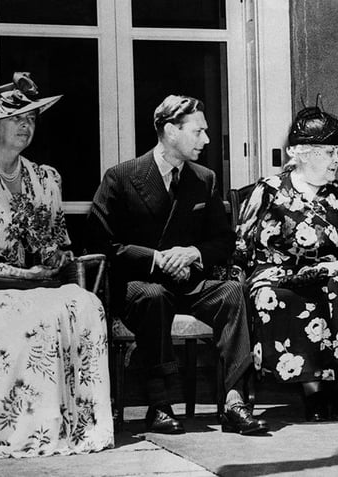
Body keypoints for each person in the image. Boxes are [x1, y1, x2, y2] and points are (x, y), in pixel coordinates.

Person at [0, 72, 113, 457]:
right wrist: (23, 275)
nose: (26, 125)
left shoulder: (45, 178)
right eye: (17, 118)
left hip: (34, 287)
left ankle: (77, 428)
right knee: (33, 318)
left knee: (85, 305)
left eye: (31, 119)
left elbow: (59, 243)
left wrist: (55, 258)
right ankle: (17, 432)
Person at [87, 94, 267, 435]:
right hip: (141, 286)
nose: (207, 139)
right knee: (154, 296)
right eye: (198, 131)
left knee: (233, 291)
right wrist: (156, 259)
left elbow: (223, 241)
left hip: (189, 282)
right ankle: (159, 404)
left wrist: (193, 253)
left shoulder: (204, 179)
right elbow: (101, 244)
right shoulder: (121, 178)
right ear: (171, 130)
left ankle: (233, 401)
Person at [234, 104, 338, 422]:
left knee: (336, 286)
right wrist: (240, 274)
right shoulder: (268, 191)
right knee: (285, 296)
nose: (337, 160)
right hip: (276, 274)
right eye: (329, 152)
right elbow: (242, 245)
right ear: (303, 153)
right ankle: (313, 390)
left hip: (331, 274)